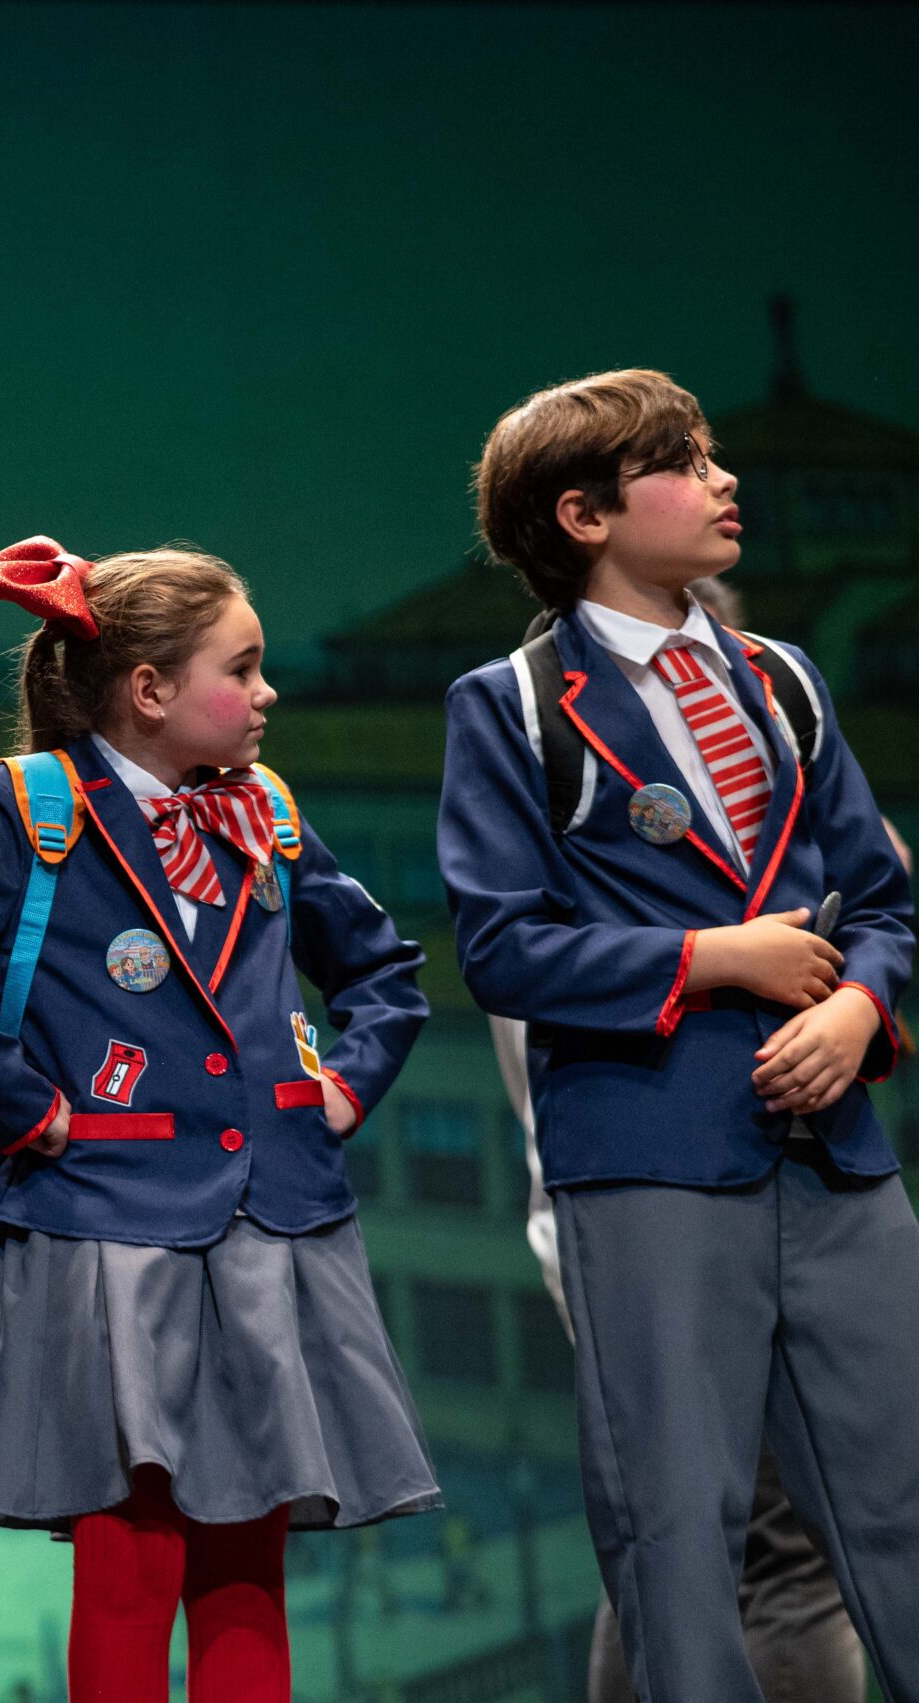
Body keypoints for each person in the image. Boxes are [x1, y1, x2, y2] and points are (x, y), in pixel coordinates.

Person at [0, 539, 440, 1703]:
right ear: (149, 689)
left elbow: (384, 973)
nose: (267, 692)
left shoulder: (267, 811)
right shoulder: (26, 809)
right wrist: (23, 1105)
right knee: (128, 1568)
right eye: (240, 668)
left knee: (248, 1570)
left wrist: (339, 1088)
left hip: (270, 1223)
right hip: (109, 1227)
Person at [441, 368, 914, 1701]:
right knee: (678, 1532)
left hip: (832, 1150)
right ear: (583, 514)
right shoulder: (512, 702)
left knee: (901, 1494)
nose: (724, 480)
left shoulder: (784, 678)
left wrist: (860, 1003)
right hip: (648, 1155)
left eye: (715, 456)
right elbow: (501, 947)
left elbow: (879, 897)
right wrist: (711, 957)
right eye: (687, 462)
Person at [499, 573, 876, 1703]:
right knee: (778, 1552)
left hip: (649, 1228)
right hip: (686, 1219)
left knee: (672, 1551)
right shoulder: (622, 881)